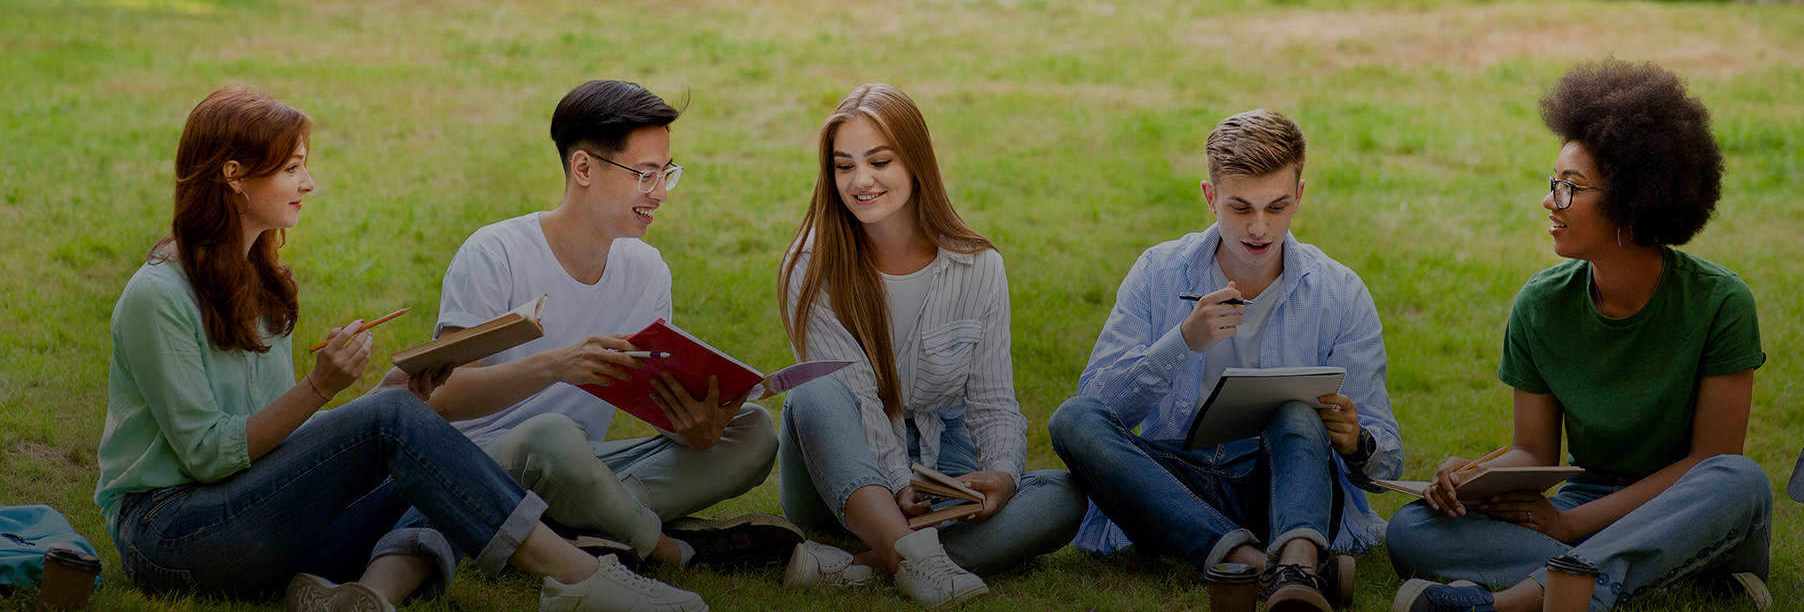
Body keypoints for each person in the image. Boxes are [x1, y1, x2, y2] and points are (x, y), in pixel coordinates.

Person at [95, 87, 701, 612]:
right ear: (232, 175)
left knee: (436, 454)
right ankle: (581, 576)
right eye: (291, 168)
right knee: (396, 425)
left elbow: (275, 453)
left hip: (255, 520)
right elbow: (207, 454)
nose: (309, 183)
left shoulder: (258, 282)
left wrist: (378, 402)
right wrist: (322, 390)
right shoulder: (159, 295)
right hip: (172, 534)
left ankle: (368, 592)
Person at [372, 80, 798, 607]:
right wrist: (555, 366)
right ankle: (671, 551)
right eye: (645, 173)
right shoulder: (496, 252)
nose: (660, 191)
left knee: (752, 431)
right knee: (552, 435)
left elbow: (653, 399)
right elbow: (440, 398)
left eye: (667, 172)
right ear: (584, 169)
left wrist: (698, 427)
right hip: (482, 463)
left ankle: (572, 530)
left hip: (578, 468)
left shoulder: (646, 271)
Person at [1385, 59, 1772, 612]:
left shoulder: (1720, 303)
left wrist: (1570, 526)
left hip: (1691, 511)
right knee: (1411, 528)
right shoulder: (1541, 305)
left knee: (1741, 480)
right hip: (1585, 505)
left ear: (1633, 201)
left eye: (1570, 187)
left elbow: (1707, 461)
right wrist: (1470, 478)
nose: (1549, 200)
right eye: (1553, 183)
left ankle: (1509, 604)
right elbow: (1534, 451)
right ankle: (1632, 584)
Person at [1049, 109, 1403, 612]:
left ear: (1299, 196)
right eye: (1240, 208)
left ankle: (1294, 554)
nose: (1259, 228)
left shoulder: (1340, 292)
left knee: (1297, 412)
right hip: (1181, 484)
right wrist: (1181, 342)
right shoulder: (1157, 272)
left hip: (1286, 486)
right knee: (1071, 419)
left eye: (1277, 207)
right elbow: (1099, 406)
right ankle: (1271, 569)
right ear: (1210, 197)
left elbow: (1386, 458)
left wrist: (1356, 441)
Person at [774, 83, 1087, 607]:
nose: (861, 181)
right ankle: (910, 561)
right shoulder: (809, 269)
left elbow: (993, 400)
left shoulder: (978, 266)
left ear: (916, 162)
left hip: (942, 464)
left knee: (1060, 496)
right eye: (844, 165)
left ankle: (858, 565)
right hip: (841, 466)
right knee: (814, 393)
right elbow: (861, 403)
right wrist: (899, 486)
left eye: (879, 161)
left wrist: (1005, 479)